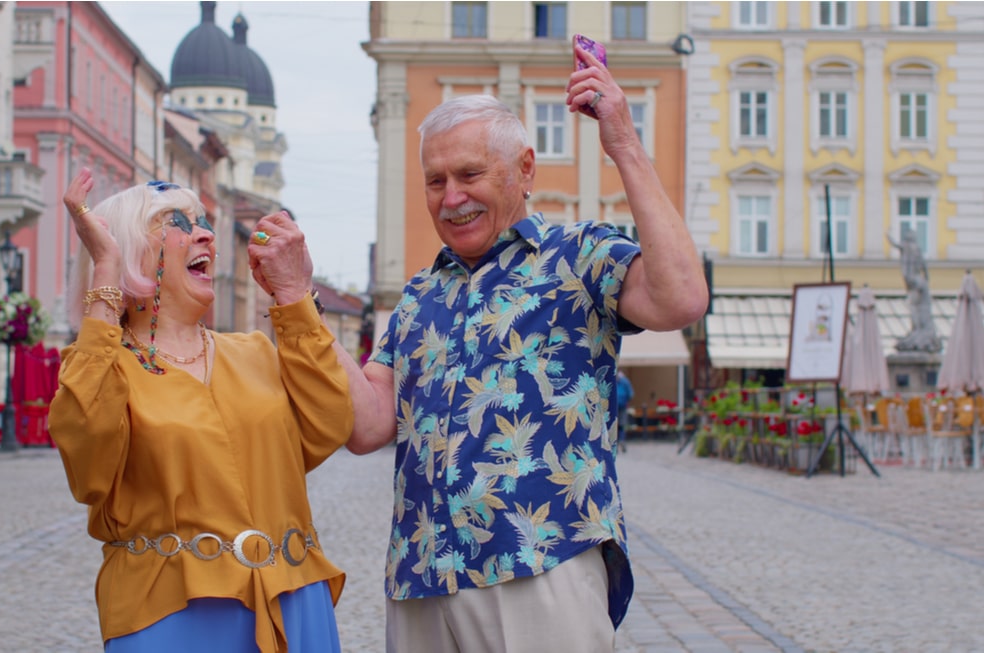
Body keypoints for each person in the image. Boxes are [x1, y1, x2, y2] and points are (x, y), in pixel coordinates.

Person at [338, 41, 708, 653]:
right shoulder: (416, 296)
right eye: (435, 180)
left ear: (525, 171)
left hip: (540, 563)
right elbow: (368, 427)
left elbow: (682, 299)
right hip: (422, 574)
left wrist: (623, 144)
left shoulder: (578, 254)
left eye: (470, 174)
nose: (450, 197)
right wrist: (299, 304)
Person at [48, 168, 353, 653]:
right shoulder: (102, 369)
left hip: (292, 598)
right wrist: (105, 272)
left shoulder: (254, 352)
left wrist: (293, 295)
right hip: (170, 612)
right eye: (178, 222)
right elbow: (88, 471)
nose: (206, 233)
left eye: (203, 221)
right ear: (132, 250)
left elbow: (330, 424)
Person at [616, 370, 634, 452]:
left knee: (615, 424)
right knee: (622, 425)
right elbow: (630, 394)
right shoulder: (625, 381)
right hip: (623, 405)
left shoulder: (614, 379)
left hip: (614, 405)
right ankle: (622, 441)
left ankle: (615, 443)